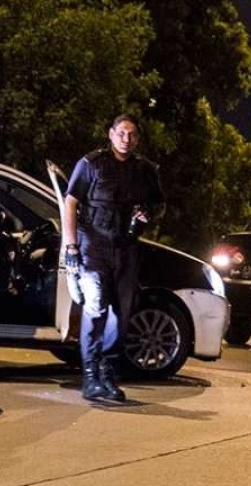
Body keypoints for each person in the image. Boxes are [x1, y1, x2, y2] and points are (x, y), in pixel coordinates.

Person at [63, 114, 165, 402]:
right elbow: (70, 203)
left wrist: (148, 215)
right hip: (93, 243)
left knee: (122, 313)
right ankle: (90, 375)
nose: (126, 139)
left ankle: (108, 372)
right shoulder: (91, 163)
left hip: (127, 246)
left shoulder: (145, 169)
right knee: (95, 307)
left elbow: (159, 203)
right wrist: (71, 248)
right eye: (121, 133)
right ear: (110, 134)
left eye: (132, 134)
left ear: (138, 139)